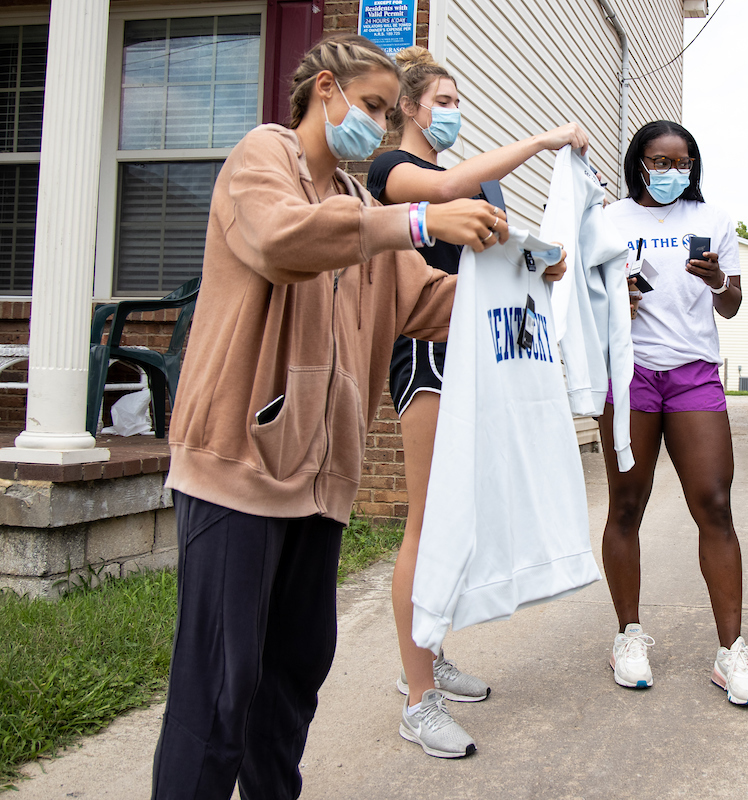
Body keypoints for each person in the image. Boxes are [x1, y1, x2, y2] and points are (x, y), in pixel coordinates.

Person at [151, 34, 516, 798]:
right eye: (375, 107)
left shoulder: (356, 203)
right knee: (220, 690)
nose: (379, 127)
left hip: (320, 486)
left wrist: (536, 285)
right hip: (238, 470)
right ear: (326, 90)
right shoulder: (264, 158)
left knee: (290, 684)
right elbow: (285, 241)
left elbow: (428, 301)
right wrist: (419, 220)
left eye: (389, 115)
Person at [364, 46, 588, 758]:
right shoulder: (391, 170)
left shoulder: (476, 186)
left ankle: (427, 652)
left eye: (460, 100)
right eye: (445, 101)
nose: (454, 111)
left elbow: (496, 251)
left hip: (482, 354)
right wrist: (547, 138)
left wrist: (540, 259)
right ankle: (417, 695)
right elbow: (451, 182)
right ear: (408, 106)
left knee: (464, 509)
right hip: (428, 348)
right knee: (427, 520)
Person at [598, 120, 748, 706]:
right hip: (631, 371)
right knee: (626, 504)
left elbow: (733, 303)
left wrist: (720, 280)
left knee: (715, 504)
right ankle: (629, 635)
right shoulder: (610, 220)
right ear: (638, 163)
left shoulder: (713, 220)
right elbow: (584, 295)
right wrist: (617, 297)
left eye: (682, 162)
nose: (672, 172)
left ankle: (731, 652)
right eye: (659, 162)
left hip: (693, 370)